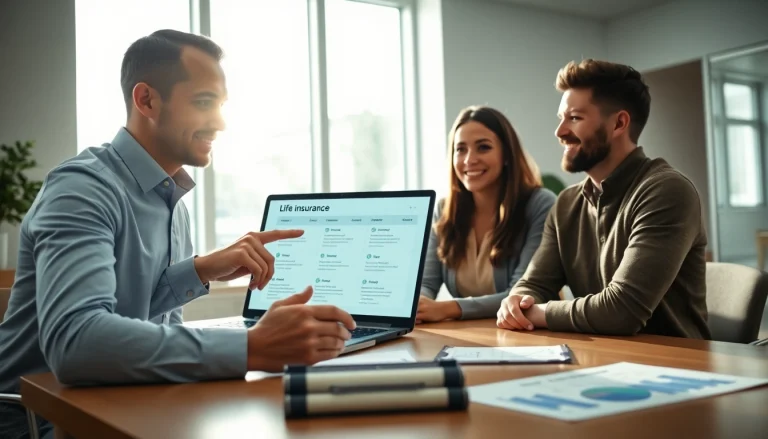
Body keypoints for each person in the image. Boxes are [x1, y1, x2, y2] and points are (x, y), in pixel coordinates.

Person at [0, 30, 355, 438]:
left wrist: (200, 270)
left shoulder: (173, 202)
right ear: (146, 100)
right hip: (38, 422)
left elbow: (129, 315)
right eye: (204, 103)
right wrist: (253, 347)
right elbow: (77, 343)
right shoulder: (81, 189)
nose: (220, 122)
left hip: (111, 403)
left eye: (221, 105)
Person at [497, 59, 710, 339]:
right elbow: (533, 284)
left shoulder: (667, 191)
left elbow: (621, 311)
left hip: (679, 370)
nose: (559, 132)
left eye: (574, 118)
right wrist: (518, 301)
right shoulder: (567, 204)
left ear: (619, 123)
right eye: (561, 118)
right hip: (602, 360)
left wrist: (538, 313)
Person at [417, 106, 556, 322]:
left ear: (507, 155)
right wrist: (419, 306)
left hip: (529, 334)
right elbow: (426, 283)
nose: (469, 159)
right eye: (460, 149)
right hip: (469, 336)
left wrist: (448, 309)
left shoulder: (540, 204)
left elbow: (520, 294)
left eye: (483, 147)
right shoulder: (444, 210)